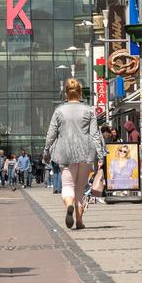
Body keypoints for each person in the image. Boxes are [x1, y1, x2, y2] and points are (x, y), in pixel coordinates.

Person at [44, 78, 105, 230]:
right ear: (80, 92)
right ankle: (79, 221)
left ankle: (69, 205)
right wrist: (100, 155)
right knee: (80, 189)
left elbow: (51, 134)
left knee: (68, 185)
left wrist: (46, 150)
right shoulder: (89, 110)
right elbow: (94, 135)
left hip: (65, 152)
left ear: (66, 93)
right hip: (85, 151)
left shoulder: (59, 111)